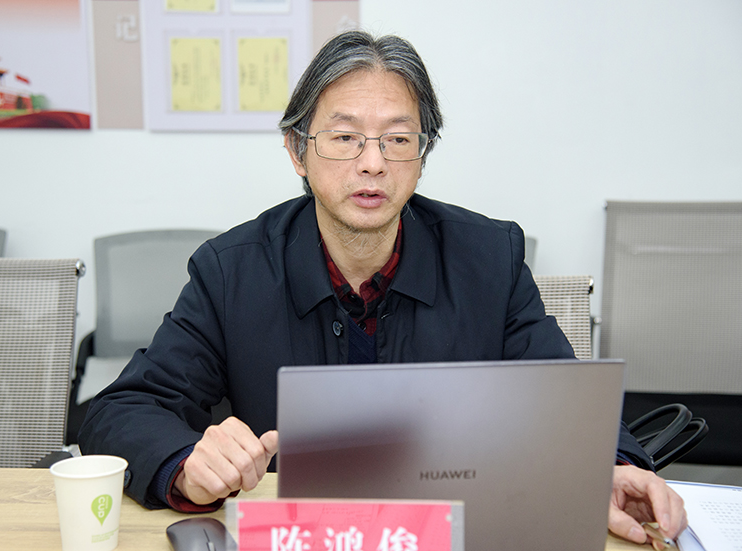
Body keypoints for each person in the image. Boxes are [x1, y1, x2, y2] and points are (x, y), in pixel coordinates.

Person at [78, 30, 686, 547]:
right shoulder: (231, 271)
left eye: (397, 139)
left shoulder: (490, 259)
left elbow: (563, 403)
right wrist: (185, 465)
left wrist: (610, 466)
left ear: (422, 154)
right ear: (298, 151)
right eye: (345, 137)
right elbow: (120, 410)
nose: (373, 163)